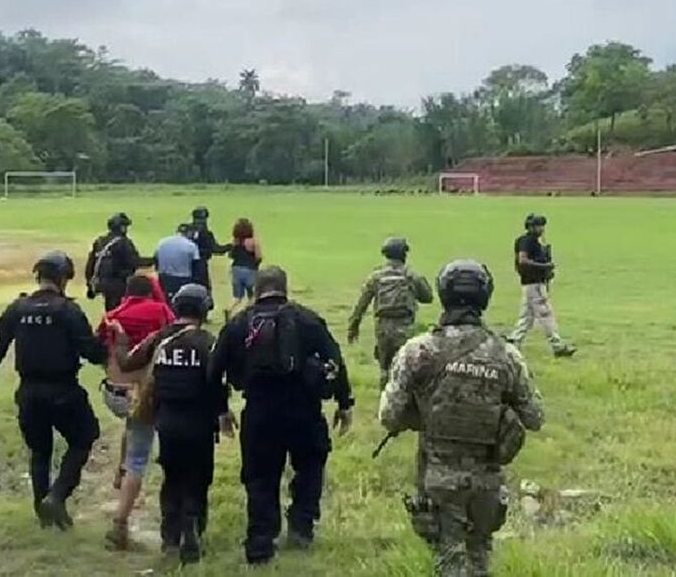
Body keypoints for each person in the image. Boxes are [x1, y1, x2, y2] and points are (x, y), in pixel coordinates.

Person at [380, 259, 544, 577]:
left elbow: (388, 415)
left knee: (448, 559)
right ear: (485, 297)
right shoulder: (506, 355)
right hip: (487, 483)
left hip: (438, 479)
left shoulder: (418, 351)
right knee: (480, 553)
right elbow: (535, 417)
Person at [209, 265, 354, 566]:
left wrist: (222, 410)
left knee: (260, 477)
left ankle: (261, 541)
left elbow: (215, 371)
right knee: (310, 465)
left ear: (257, 290)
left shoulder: (239, 324)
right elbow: (335, 359)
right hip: (304, 409)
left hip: (260, 411)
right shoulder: (307, 319)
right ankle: (301, 525)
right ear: (284, 288)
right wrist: (344, 402)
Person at [0, 251, 107, 529]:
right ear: (63, 279)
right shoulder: (68, 311)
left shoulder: (18, 308)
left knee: (40, 451)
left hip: (29, 392)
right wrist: (108, 346)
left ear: (38, 277)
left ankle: (43, 512)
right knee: (84, 437)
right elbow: (91, 352)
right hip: (63, 390)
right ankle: (57, 497)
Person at [112, 284, 231, 564]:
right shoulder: (208, 342)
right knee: (198, 480)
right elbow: (217, 382)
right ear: (204, 309)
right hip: (200, 426)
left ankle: (170, 540)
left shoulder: (159, 338)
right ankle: (193, 530)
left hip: (167, 423)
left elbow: (128, 363)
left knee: (173, 480)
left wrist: (120, 339)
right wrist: (222, 412)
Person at [95, 274, 174, 551]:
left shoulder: (112, 314)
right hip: (141, 396)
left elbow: (98, 349)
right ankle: (120, 523)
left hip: (112, 393)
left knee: (132, 426)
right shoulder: (160, 311)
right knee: (140, 456)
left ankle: (120, 469)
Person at [347, 237, 434, 389]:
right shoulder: (411, 275)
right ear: (404, 255)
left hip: (383, 329)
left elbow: (362, 304)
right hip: (405, 327)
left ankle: (384, 402)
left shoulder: (376, 276)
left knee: (385, 369)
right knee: (407, 367)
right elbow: (427, 297)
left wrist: (353, 326)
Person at [505, 213, 575, 357]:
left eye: (542, 226)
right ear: (530, 227)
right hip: (534, 284)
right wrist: (544, 266)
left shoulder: (534, 242)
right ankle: (557, 346)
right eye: (538, 226)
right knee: (546, 315)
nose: (541, 229)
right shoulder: (527, 242)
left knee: (526, 317)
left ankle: (513, 341)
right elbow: (523, 260)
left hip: (530, 284)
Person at [86, 212, 150, 311]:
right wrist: (152, 261)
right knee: (119, 310)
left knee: (110, 309)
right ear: (121, 227)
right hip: (118, 284)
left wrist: (89, 285)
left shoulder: (99, 241)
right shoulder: (123, 242)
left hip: (102, 283)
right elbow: (134, 261)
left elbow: (91, 264)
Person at [187, 207, 231, 312]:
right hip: (200, 264)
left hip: (186, 264)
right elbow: (215, 249)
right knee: (204, 288)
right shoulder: (206, 233)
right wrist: (229, 246)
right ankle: (203, 310)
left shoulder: (188, 231)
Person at [226, 217, 263, 320]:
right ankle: (247, 314)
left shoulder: (235, 242)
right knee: (252, 296)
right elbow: (258, 256)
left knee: (237, 297)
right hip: (250, 270)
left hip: (236, 269)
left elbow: (231, 255)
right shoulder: (253, 242)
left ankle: (229, 309)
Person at [155, 224, 200, 303]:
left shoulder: (162, 242)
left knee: (165, 300)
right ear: (189, 233)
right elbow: (196, 266)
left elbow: (156, 260)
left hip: (164, 278)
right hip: (183, 279)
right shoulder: (191, 246)